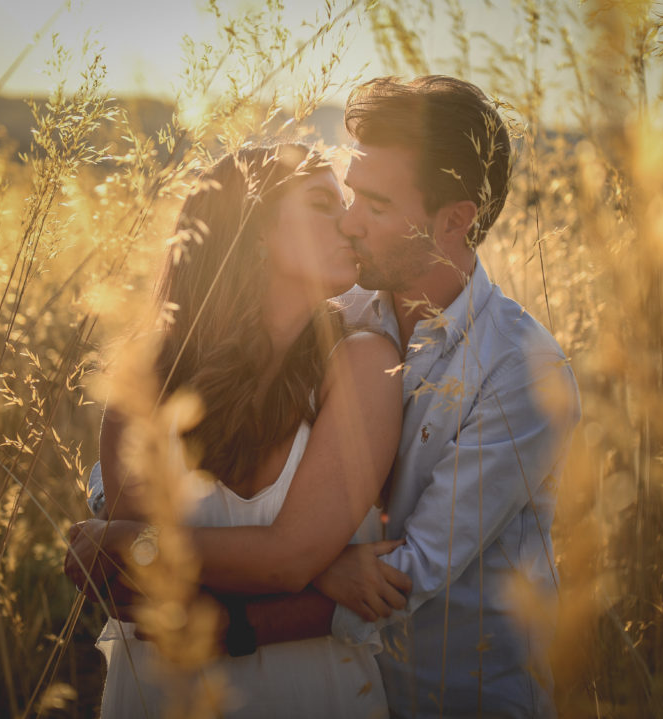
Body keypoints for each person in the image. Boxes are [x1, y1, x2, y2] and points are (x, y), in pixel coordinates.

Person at [70, 75, 582, 718]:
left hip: (450, 693)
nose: (348, 218)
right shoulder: (333, 309)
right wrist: (113, 514)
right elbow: (169, 444)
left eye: (374, 203)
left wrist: (263, 594)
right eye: (344, 194)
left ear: (454, 221)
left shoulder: (520, 370)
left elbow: (405, 576)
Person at [67, 143, 409, 718]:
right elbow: (135, 594)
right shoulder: (147, 379)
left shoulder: (364, 364)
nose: (350, 222)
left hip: (315, 695)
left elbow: (283, 559)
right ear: (254, 230)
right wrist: (325, 576)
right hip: (162, 696)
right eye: (324, 202)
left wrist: (128, 540)